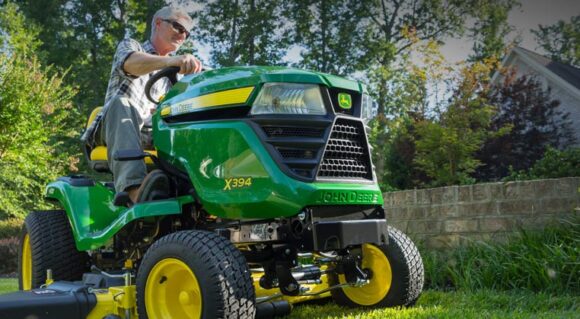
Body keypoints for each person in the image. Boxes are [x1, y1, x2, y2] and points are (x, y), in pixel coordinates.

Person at [100, 5, 202, 205]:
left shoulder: (176, 77)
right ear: (158, 23)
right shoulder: (132, 47)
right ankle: (133, 190)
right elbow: (129, 64)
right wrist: (171, 61)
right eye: (178, 27)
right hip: (120, 126)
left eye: (187, 33)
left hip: (155, 133)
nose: (183, 35)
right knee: (122, 103)